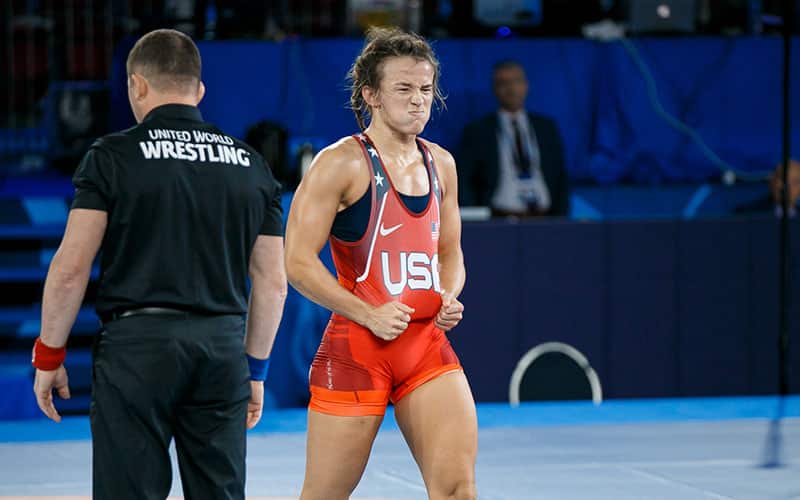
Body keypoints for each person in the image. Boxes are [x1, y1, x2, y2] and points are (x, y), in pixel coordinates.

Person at [31, 29, 287, 500]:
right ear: (199, 91)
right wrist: (255, 370)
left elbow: (71, 267)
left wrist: (50, 354)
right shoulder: (252, 164)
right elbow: (272, 283)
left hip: (136, 350)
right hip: (221, 349)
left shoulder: (112, 156)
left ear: (137, 86)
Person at [285, 27, 477, 500]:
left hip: (425, 347)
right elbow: (297, 262)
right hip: (357, 352)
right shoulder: (339, 164)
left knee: (457, 490)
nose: (419, 101)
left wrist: (448, 294)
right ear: (370, 94)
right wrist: (367, 313)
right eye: (404, 89)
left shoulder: (442, 165)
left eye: (427, 90)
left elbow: (449, 254)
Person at [457, 60, 569, 217]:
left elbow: (560, 177)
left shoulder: (546, 128)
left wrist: (561, 218)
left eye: (517, 81)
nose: (512, 89)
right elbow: (465, 180)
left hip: (544, 218)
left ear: (526, 85)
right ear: (495, 89)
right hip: (498, 220)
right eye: (504, 83)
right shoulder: (477, 131)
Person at [735, 159, 800, 218]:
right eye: (783, 179)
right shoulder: (747, 213)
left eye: (795, 182)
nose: (788, 187)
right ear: (772, 181)